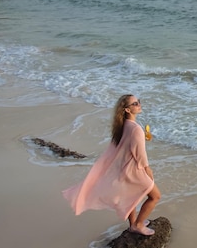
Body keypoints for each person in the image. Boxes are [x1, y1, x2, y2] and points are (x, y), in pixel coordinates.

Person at [62, 94, 161, 236]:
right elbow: (140, 154)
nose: (139, 104)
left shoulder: (123, 126)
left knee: (130, 195)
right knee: (155, 196)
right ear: (127, 110)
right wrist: (147, 169)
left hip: (125, 168)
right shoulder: (136, 129)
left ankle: (133, 224)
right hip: (135, 169)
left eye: (139, 101)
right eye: (135, 103)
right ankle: (138, 225)